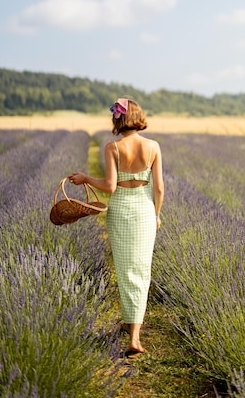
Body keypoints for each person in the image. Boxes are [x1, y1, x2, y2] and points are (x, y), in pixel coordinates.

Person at [68, 98, 164, 358]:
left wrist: (86, 178)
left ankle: (129, 321)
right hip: (144, 210)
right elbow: (159, 188)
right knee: (141, 269)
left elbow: (110, 187)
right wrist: (156, 214)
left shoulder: (113, 147)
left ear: (118, 119)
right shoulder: (153, 146)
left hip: (121, 210)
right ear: (138, 117)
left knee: (124, 268)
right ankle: (134, 334)